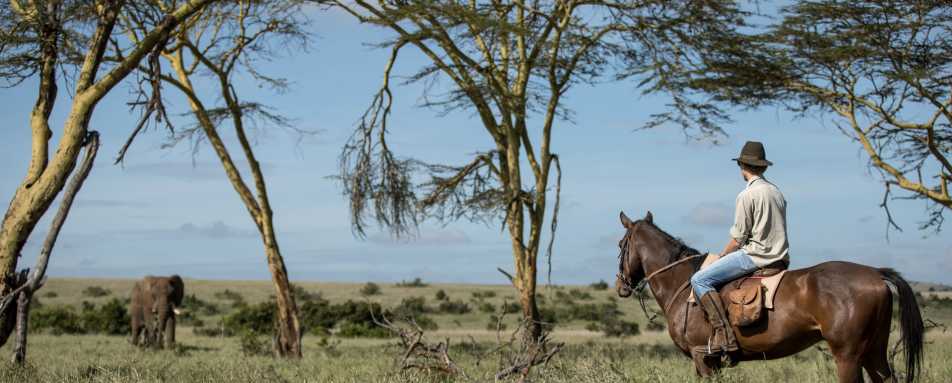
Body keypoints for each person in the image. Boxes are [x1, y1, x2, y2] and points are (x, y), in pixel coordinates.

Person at [690, 140, 789, 356]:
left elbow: (738, 239)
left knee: (699, 279)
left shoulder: (746, 195)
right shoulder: (777, 192)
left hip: (755, 256)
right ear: (762, 167)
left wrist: (722, 255)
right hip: (781, 258)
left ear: (742, 167)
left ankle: (725, 335)